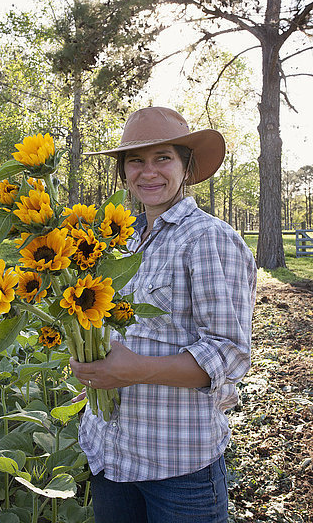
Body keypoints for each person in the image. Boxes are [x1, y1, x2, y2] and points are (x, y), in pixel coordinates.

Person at [70, 106, 257, 523]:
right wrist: (93, 364)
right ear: (123, 172)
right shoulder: (124, 242)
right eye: (136, 160)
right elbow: (120, 328)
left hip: (177, 464)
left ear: (186, 168)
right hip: (110, 452)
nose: (148, 172)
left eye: (163, 158)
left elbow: (229, 354)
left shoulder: (207, 239)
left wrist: (133, 370)